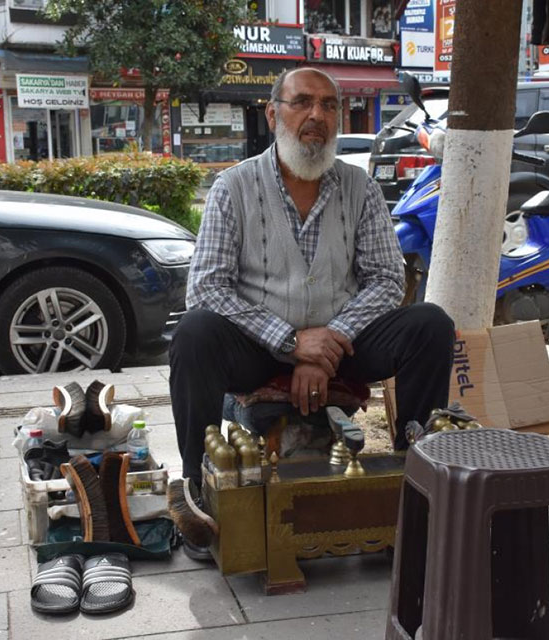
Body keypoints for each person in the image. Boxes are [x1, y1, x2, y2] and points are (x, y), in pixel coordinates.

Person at [167, 68, 455, 556]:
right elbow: (207, 287)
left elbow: (387, 280)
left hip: (345, 344)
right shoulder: (233, 187)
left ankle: (416, 474)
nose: (316, 115)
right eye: (302, 102)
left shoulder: (359, 187)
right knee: (194, 333)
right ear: (272, 113)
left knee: (430, 325)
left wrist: (330, 340)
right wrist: (292, 342)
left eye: (328, 105)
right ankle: (199, 489)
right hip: (257, 347)